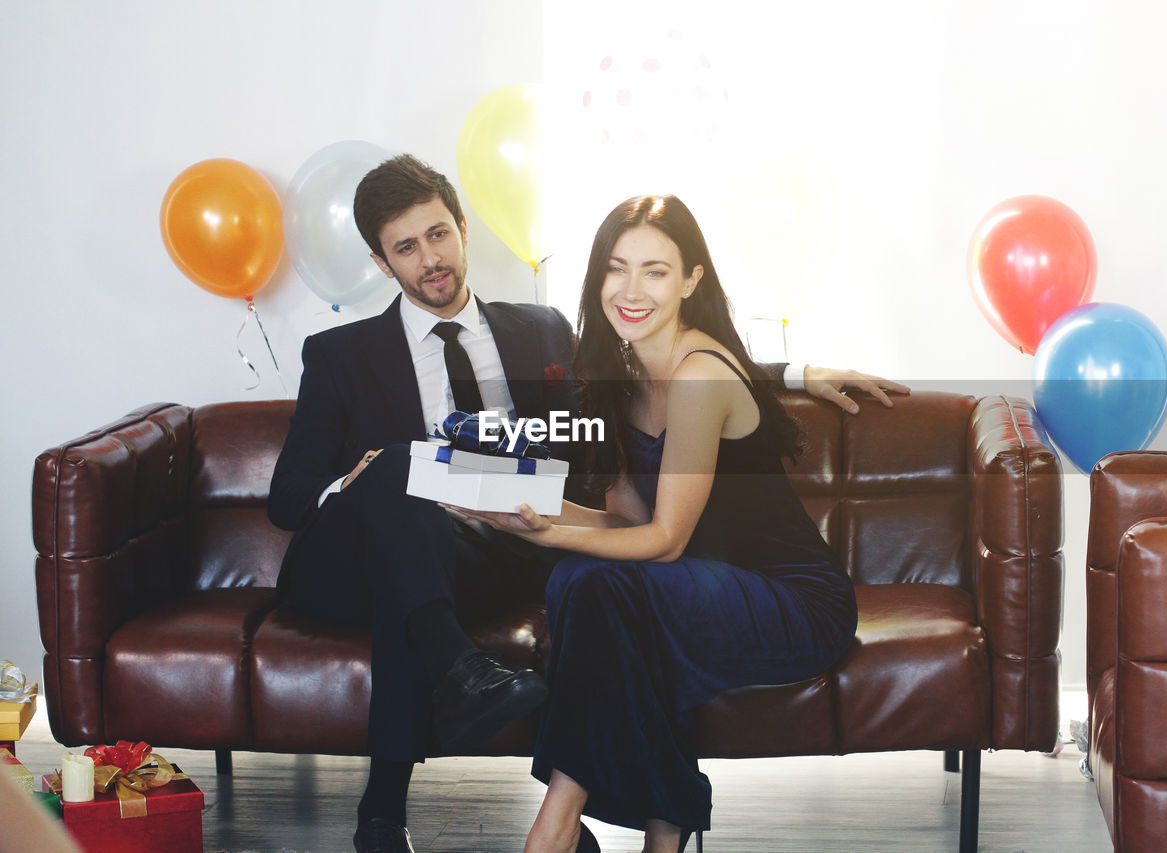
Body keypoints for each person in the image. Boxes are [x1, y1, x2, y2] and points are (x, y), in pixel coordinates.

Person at [268, 155, 905, 853]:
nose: (431, 258)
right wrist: (364, 478)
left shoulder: (540, 332)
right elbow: (290, 497)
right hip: (395, 545)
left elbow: (684, 378)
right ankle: (419, 764)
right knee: (403, 494)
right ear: (381, 261)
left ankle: (570, 821)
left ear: (463, 230)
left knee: (574, 583)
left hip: (512, 544)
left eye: (439, 234)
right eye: (406, 247)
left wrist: (798, 370)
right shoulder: (340, 354)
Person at [459, 195, 901, 853]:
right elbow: (622, 521)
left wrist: (547, 534)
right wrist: (521, 504)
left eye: (656, 271)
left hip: (792, 600)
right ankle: (665, 830)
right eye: (616, 268)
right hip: (698, 585)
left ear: (692, 280)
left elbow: (663, 541)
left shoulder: (701, 373)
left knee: (591, 582)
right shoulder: (621, 373)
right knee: (582, 580)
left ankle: (558, 822)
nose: (631, 290)